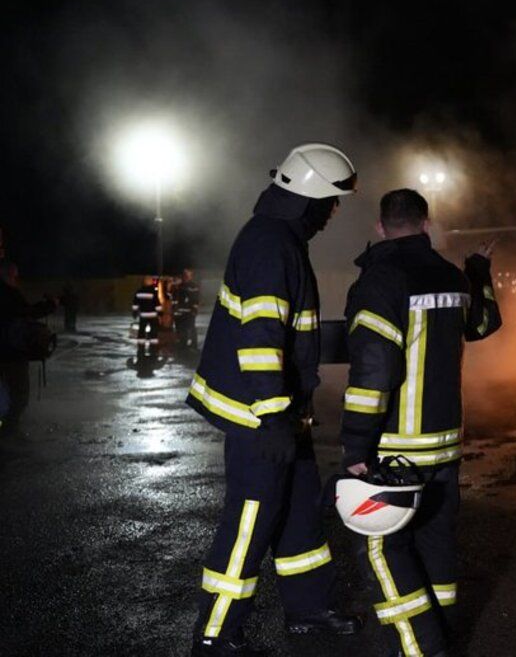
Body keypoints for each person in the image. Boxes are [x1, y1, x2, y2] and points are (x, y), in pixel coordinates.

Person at [186, 143, 362, 656]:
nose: (333, 212)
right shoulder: (269, 244)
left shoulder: (280, 238)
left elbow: (288, 331)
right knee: (250, 519)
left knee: (300, 510)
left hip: (284, 412)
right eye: (331, 202)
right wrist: (270, 420)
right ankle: (216, 632)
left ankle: (307, 609)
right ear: (309, 198)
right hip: (259, 416)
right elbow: (260, 338)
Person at [341, 189, 502, 657]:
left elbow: (374, 373)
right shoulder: (450, 275)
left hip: (396, 448)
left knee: (381, 549)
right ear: (426, 223)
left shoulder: (380, 280)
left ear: (380, 227)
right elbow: (483, 323)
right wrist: (478, 271)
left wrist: (355, 450)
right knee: (436, 550)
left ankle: (423, 650)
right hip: (444, 448)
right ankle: (443, 636)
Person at [0, 260, 56, 431]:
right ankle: (9, 431)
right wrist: (49, 306)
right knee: (19, 394)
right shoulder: (9, 294)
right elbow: (27, 313)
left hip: (6, 351)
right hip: (10, 352)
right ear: (8, 274)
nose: (16, 279)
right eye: (15, 276)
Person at [131, 276, 162, 369]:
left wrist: (135, 313)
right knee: (153, 331)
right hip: (152, 315)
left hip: (143, 315)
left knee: (141, 330)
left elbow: (135, 303)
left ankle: (141, 345)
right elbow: (157, 303)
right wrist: (160, 313)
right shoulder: (153, 292)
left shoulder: (139, 291)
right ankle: (153, 346)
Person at [173, 268, 202, 350]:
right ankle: (183, 345)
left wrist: (194, 310)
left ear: (191, 275)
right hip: (179, 312)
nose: (186, 276)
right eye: (185, 274)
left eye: (188, 274)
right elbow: (175, 298)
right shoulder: (179, 285)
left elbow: (195, 299)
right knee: (181, 329)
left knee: (191, 328)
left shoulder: (193, 286)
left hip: (189, 312)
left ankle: (193, 345)